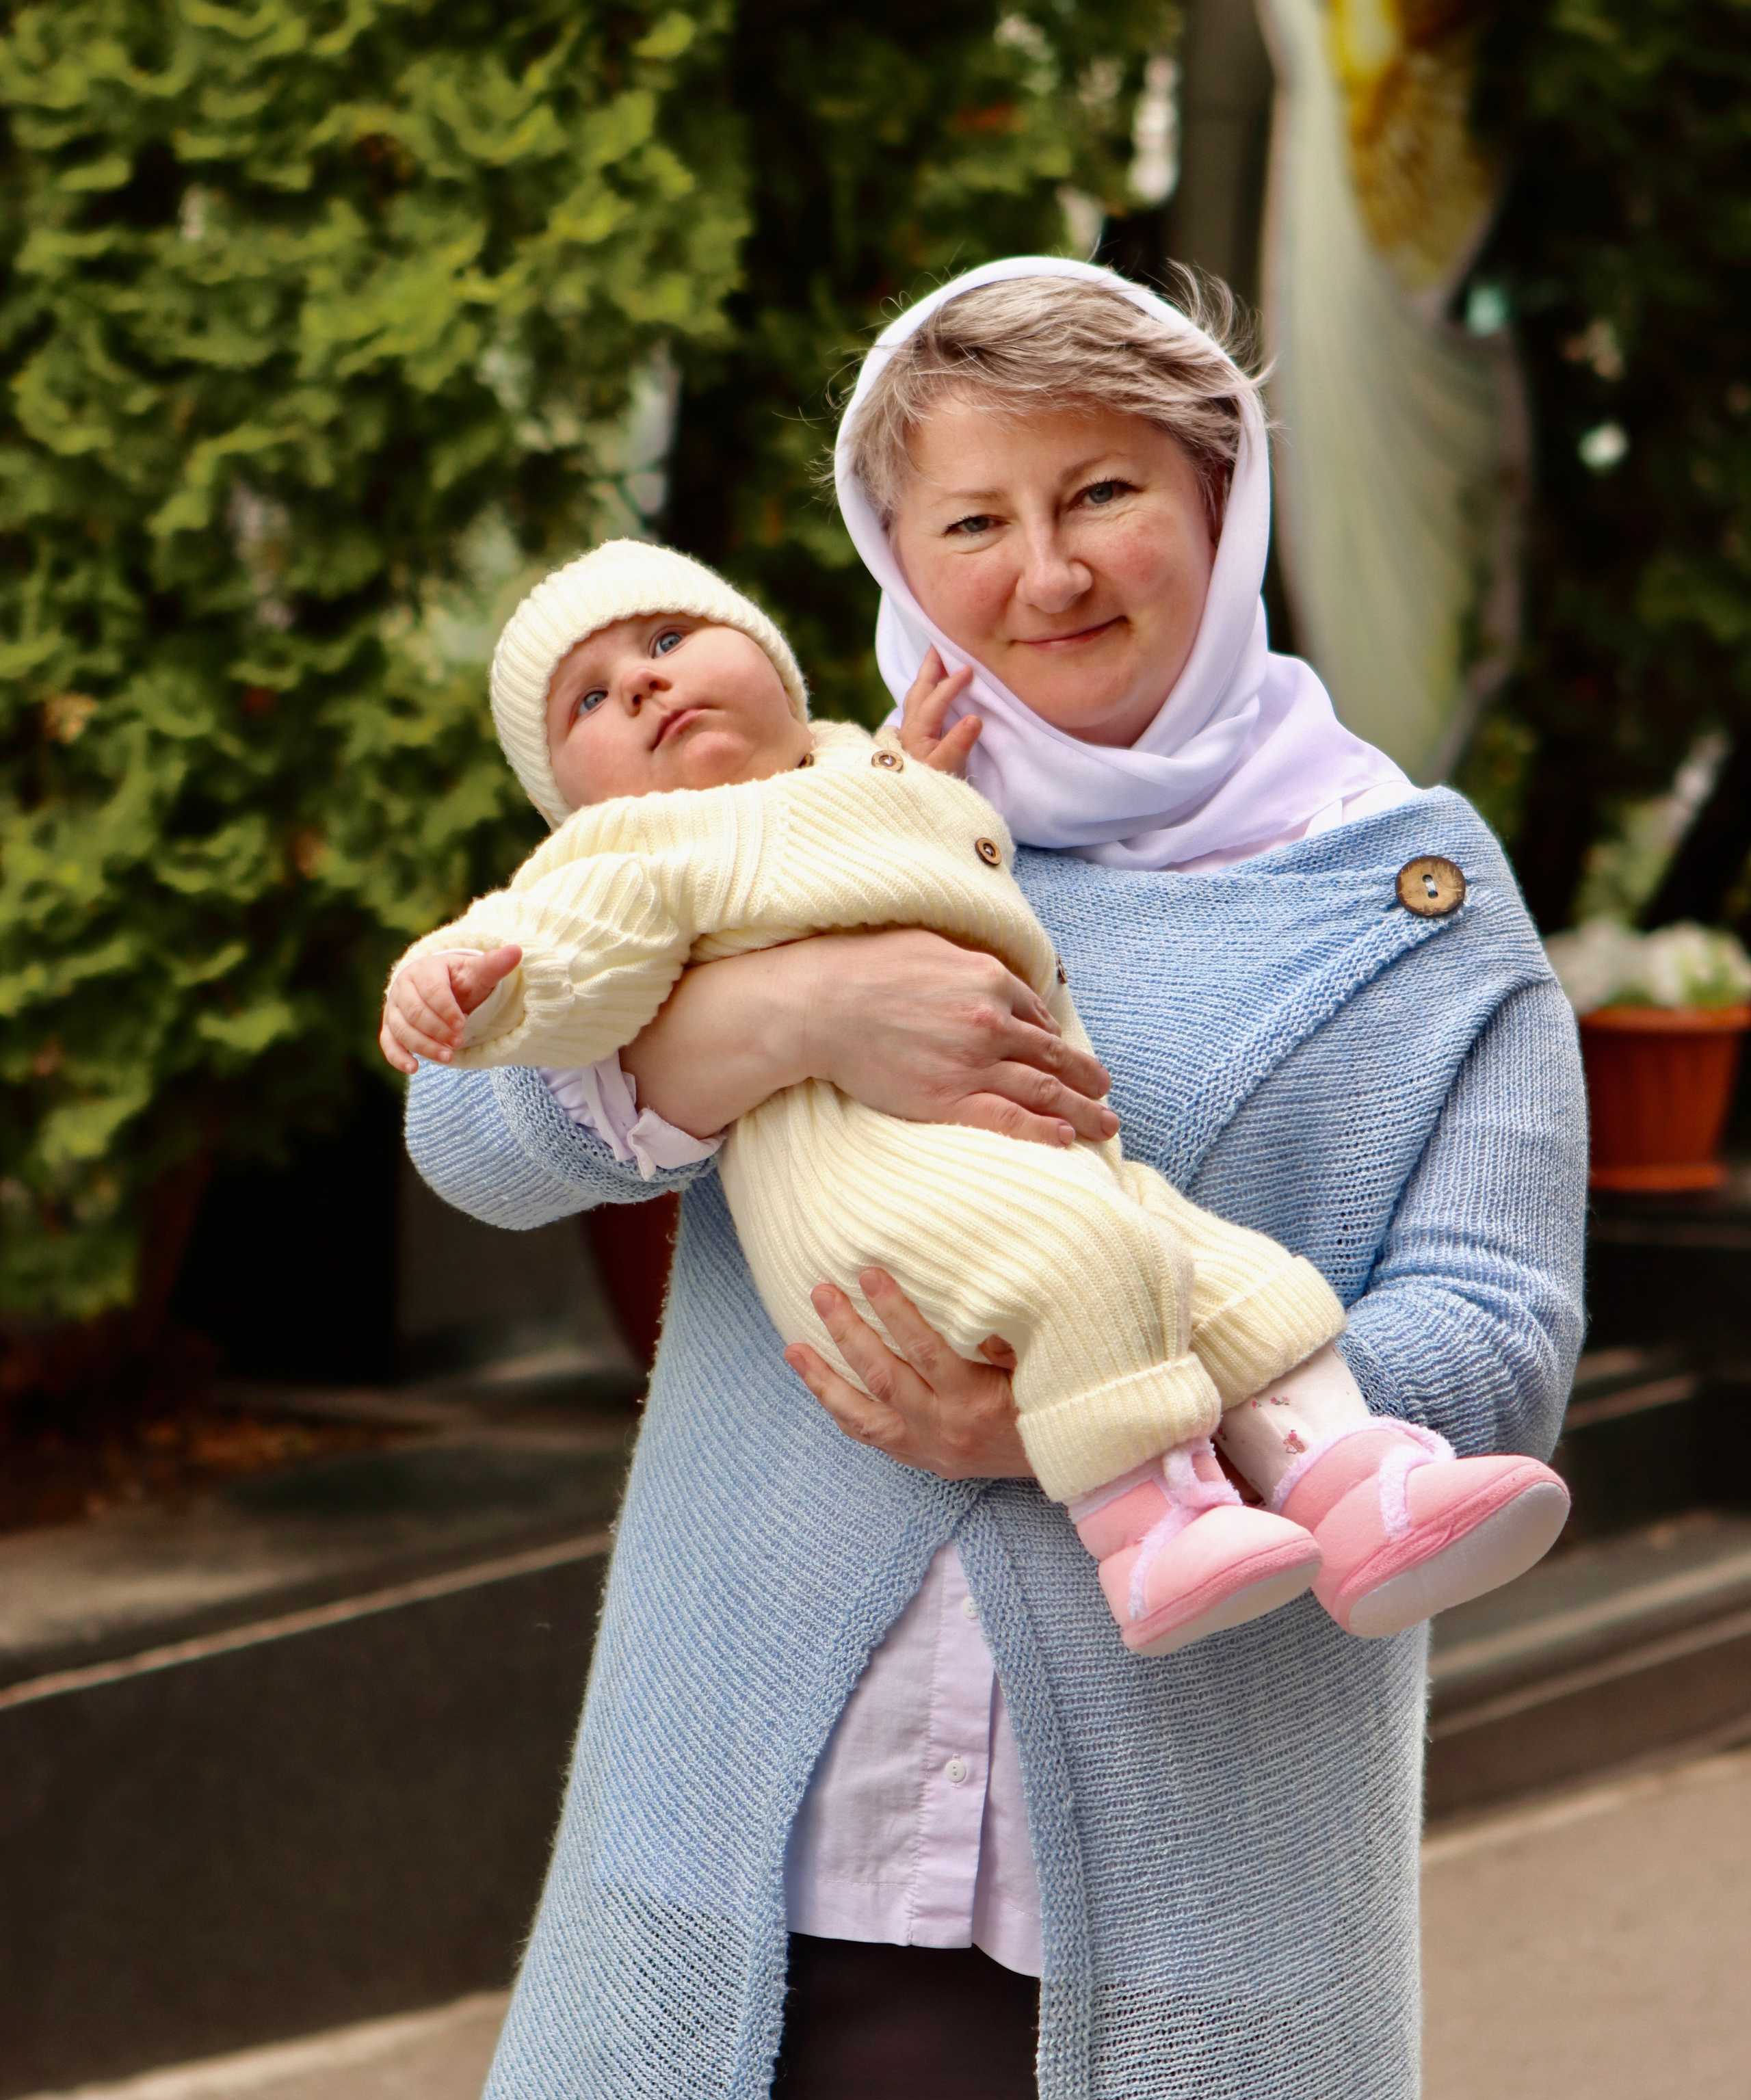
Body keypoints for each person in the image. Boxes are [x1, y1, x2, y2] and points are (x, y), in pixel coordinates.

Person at [406, 259, 1587, 2100]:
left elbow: (1495, 1338)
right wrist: (793, 1014)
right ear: (900, 562)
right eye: (973, 522)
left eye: (1104, 491)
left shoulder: (1413, 896)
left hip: (1162, 1878)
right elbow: (477, 1138)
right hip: (762, 1864)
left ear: (1220, 506)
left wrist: (1098, 1408)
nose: (1045, 572)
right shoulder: (770, 832)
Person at [382, 539, 1568, 1654]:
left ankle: (1363, 1487)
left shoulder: (878, 766)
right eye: (586, 701)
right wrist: (479, 987)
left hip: (1053, 1166)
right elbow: (532, 993)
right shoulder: (636, 847)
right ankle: (1154, 1535)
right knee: (1085, 1258)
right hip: (874, 1180)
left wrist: (914, 770)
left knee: (1223, 1278)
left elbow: (1504, 1322)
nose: (640, 686)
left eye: (668, 639)